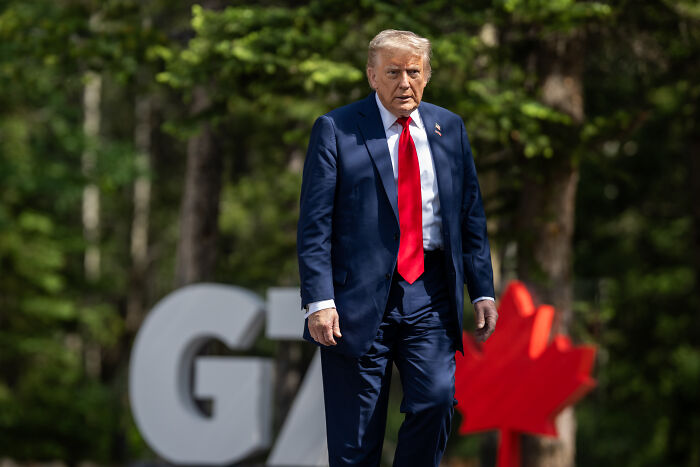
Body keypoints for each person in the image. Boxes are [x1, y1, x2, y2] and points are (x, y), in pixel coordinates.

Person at [297, 29, 498, 466]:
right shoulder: (336, 129)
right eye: (393, 72)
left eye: (414, 71)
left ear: (426, 75)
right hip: (353, 303)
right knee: (355, 444)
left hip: (430, 294)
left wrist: (482, 290)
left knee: (437, 401)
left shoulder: (450, 128)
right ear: (372, 75)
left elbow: (470, 216)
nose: (404, 82)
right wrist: (319, 300)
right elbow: (315, 225)